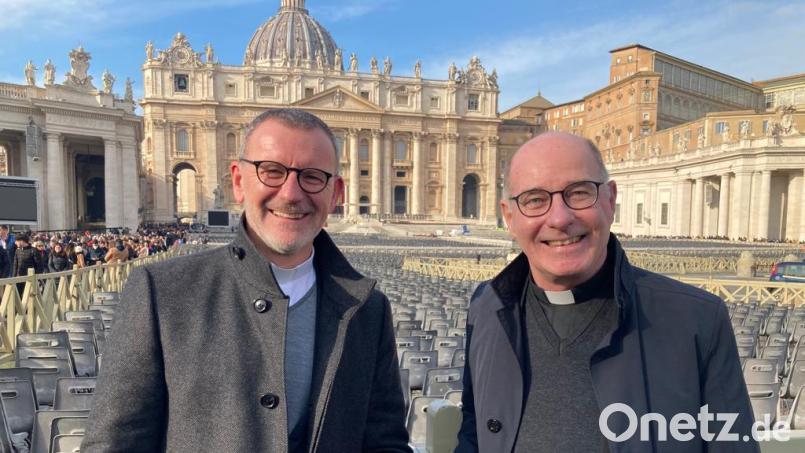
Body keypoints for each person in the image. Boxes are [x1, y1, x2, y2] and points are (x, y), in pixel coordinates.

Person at [83, 108, 411, 452]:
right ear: (239, 181)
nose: (290, 193)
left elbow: (384, 440)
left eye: (312, 177)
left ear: (335, 194)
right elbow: (114, 444)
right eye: (272, 171)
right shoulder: (160, 292)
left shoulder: (369, 309)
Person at [456, 132, 756, 452]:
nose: (559, 218)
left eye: (579, 193)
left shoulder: (699, 320)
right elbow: (473, 432)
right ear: (509, 216)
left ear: (610, 201)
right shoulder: (485, 307)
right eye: (535, 200)